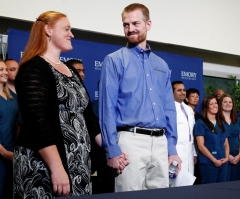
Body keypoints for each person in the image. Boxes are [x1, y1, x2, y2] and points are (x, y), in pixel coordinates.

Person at [13, 11, 101, 198]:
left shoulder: (71, 70)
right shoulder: (33, 68)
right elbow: (37, 122)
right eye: (67, 29)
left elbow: (88, 117)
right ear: (48, 30)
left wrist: (111, 148)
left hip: (79, 165)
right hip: (46, 167)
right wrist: (57, 167)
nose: (72, 34)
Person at [99, 3, 181, 192]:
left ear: (148, 24)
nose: (130, 29)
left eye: (135, 23)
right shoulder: (114, 60)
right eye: (126, 25)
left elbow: (168, 107)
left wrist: (171, 147)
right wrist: (112, 148)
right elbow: (107, 109)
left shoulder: (161, 64)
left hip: (161, 142)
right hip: (130, 141)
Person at [194, 96, 229, 184]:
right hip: (208, 163)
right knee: (209, 191)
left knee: (222, 189)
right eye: (211, 104)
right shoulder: (200, 123)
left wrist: (227, 158)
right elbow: (201, 146)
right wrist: (214, 160)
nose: (215, 105)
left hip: (223, 162)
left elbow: (226, 143)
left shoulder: (222, 123)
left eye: (216, 103)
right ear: (206, 107)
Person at [0, 60, 20, 199]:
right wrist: (4, 152)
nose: (5, 72)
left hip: (13, 153)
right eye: (1, 70)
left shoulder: (12, 98)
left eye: (5, 69)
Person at [172, 81, 196, 179]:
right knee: (174, 183)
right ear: (172, 92)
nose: (182, 92)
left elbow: (192, 133)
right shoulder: (169, 108)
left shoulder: (189, 109)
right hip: (176, 151)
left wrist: (194, 153)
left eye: (184, 90)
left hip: (189, 151)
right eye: (179, 90)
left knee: (188, 181)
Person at [218, 94, 240, 181]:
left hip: (237, 157)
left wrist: (239, 155)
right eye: (225, 102)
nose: (228, 104)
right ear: (220, 104)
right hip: (223, 157)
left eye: (230, 102)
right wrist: (228, 156)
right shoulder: (217, 120)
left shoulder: (238, 120)